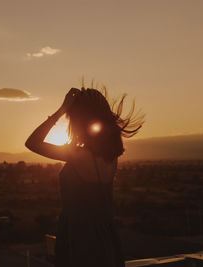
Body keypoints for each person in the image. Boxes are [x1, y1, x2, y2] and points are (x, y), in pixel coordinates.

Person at [25, 85, 144, 267]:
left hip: (80, 241)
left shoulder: (79, 155)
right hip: (106, 239)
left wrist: (61, 110)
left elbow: (32, 142)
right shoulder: (111, 157)